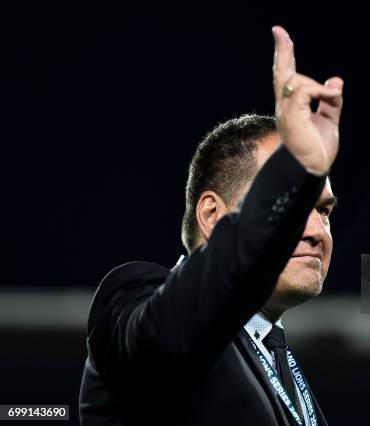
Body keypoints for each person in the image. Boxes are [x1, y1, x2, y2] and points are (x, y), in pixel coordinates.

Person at [78, 25, 343, 426]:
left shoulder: (277, 360)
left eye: (322, 211)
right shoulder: (134, 301)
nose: (316, 231)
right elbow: (167, 337)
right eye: (290, 207)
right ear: (212, 217)